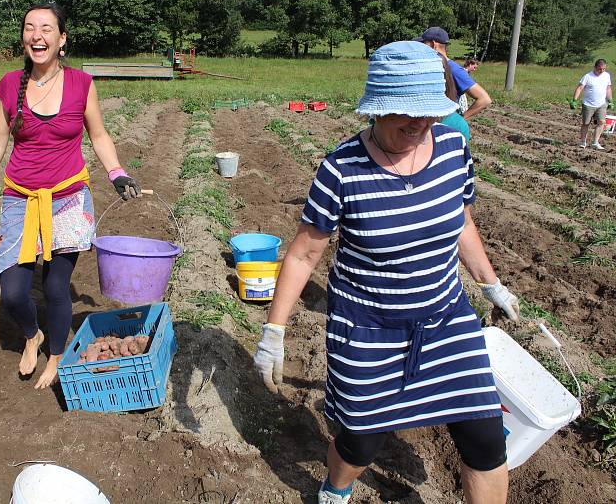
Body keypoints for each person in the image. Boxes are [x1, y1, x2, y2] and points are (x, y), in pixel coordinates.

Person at [253, 41, 520, 504]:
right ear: (377, 111)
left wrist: (490, 282)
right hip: (368, 328)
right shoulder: (342, 169)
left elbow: (462, 222)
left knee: (486, 439)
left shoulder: (455, 147)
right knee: (361, 442)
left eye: (429, 117)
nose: (420, 127)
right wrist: (274, 329)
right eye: (406, 118)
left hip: (445, 316)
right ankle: (334, 490)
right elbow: (302, 256)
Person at [0, 4, 140, 390]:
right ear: (24, 38)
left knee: (55, 287)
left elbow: (98, 134)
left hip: (68, 199)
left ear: (62, 39)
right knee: (12, 293)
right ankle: (33, 335)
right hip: (19, 198)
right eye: (30, 27)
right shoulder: (11, 84)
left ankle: (58, 356)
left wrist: (116, 172)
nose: (36, 35)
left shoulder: (81, 83)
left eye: (46, 28)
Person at [418, 27, 492, 120]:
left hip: (444, 123)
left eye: (424, 44)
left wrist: (460, 120)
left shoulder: (453, 69)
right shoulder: (432, 67)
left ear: (433, 45)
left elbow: (484, 99)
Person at [572, 59, 612, 150]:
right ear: (595, 67)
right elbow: (580, 88)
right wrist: (574, 100)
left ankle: (595, 142)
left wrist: (610, 100)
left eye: (604, 69)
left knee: (601, 122)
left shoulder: (607, 76)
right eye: (599, 69)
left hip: (602, 104)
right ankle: (583, 142)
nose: (602, 71)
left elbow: (608, 88)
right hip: (588, 104)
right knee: (586, 123)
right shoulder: (587, 76)